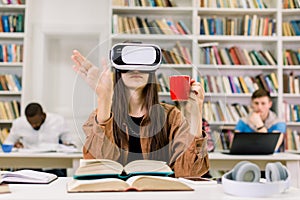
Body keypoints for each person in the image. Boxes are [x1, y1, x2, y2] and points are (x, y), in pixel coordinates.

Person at [71, 47, 209, 177]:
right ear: (119, 71)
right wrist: (104, 98)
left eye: (142, 63)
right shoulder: (102, 114)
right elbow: (96, 168)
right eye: (129, 64)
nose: (136, 69)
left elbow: (190, 173)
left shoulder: (171, 116)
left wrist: (196, 113)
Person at [4, 102, 76, 176]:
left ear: (43, 115)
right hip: (28, 166)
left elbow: (70, 143)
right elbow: (8, 143)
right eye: (30, 123)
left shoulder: (58, 121)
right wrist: (15, 145)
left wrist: (67, 145)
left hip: (52, 166)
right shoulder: (19, 123)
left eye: (36, 122)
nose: (33, 125)